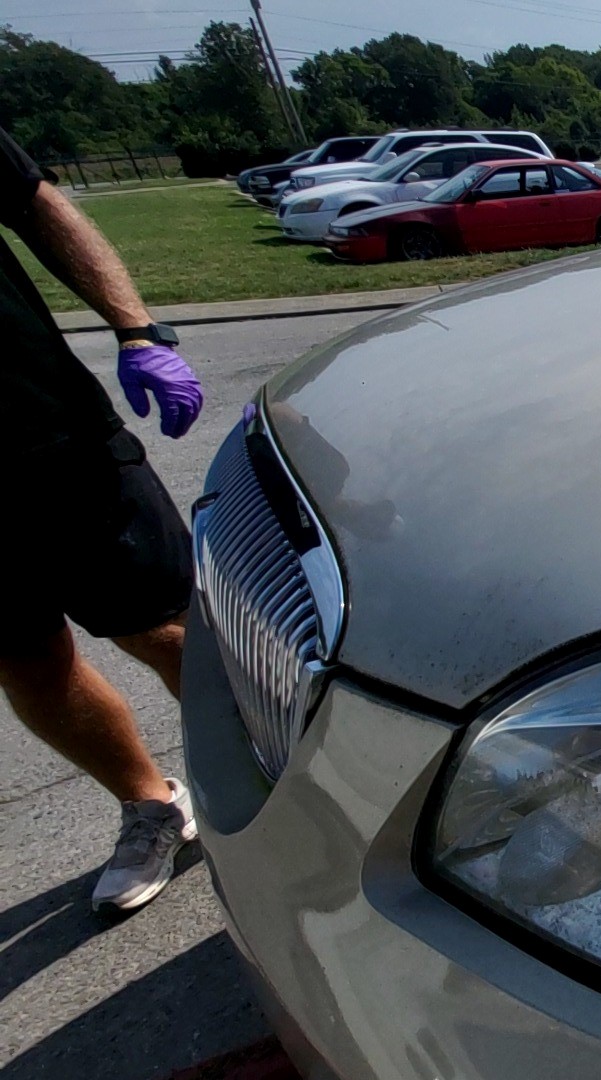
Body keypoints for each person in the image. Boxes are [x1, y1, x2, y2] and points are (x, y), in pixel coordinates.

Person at [0, 125, 206, 911]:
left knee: (170, 629)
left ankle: (289, 783)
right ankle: (154, 806)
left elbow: (37, 203)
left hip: (39, 427)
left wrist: (136, 328)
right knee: (26, 661)